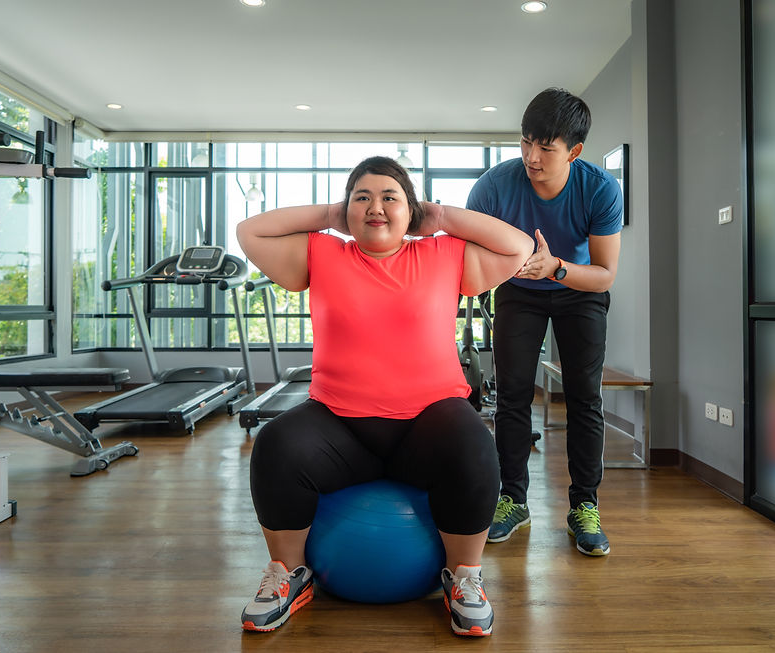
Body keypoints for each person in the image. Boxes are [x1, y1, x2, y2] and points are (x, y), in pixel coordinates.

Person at [236, 156, 533, 636]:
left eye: (390, 197)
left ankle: (465, 579)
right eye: (362, 198)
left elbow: (518, 246)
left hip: (428, 426)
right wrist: (330, 216)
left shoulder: (444, 255)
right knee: (276, 444)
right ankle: (289, 575)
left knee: (475, 442)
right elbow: (250, 231)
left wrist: (438, 216)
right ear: (346, 210)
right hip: (339, 427)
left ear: (410, 210)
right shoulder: (321, 254)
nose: (376, 207)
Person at [466, 88, 623, 556]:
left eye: (546, 147)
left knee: (584, 397)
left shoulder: (599, 188)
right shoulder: (494, 186)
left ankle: (584, 506)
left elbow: (604, 275)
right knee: (512, 395)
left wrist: (555, 266)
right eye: (525, 142)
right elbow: (470, 253)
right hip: (519, 289)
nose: (531, 157)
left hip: (577, 290)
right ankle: (512, 498)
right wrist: (509, 266)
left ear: (574, 151)